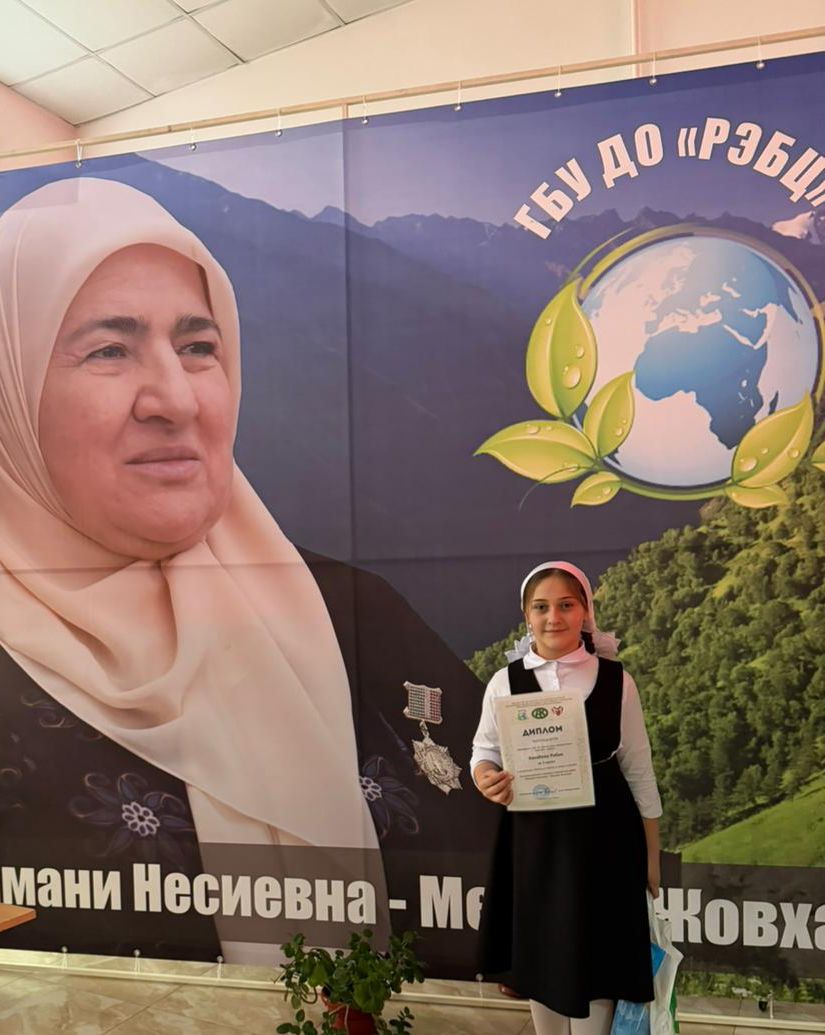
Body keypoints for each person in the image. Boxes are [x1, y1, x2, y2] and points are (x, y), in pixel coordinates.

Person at [0, 177, 494, 965]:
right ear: (11, 391)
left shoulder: (352, 614)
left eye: (198, 347)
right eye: (109, 350)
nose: (175, 399)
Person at [471, 561, 662, 1035]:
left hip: (605, 838)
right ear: (526, 615)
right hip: (533, 839)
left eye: (566, 605)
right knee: (542, 953)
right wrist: (485, 777)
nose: (553, 617)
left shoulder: (617, 680)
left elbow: (639, 769)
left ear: (585, 612)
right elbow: (483, 751)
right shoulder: (504, 681)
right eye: (541, 607)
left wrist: (652, 855)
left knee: (598, 957)